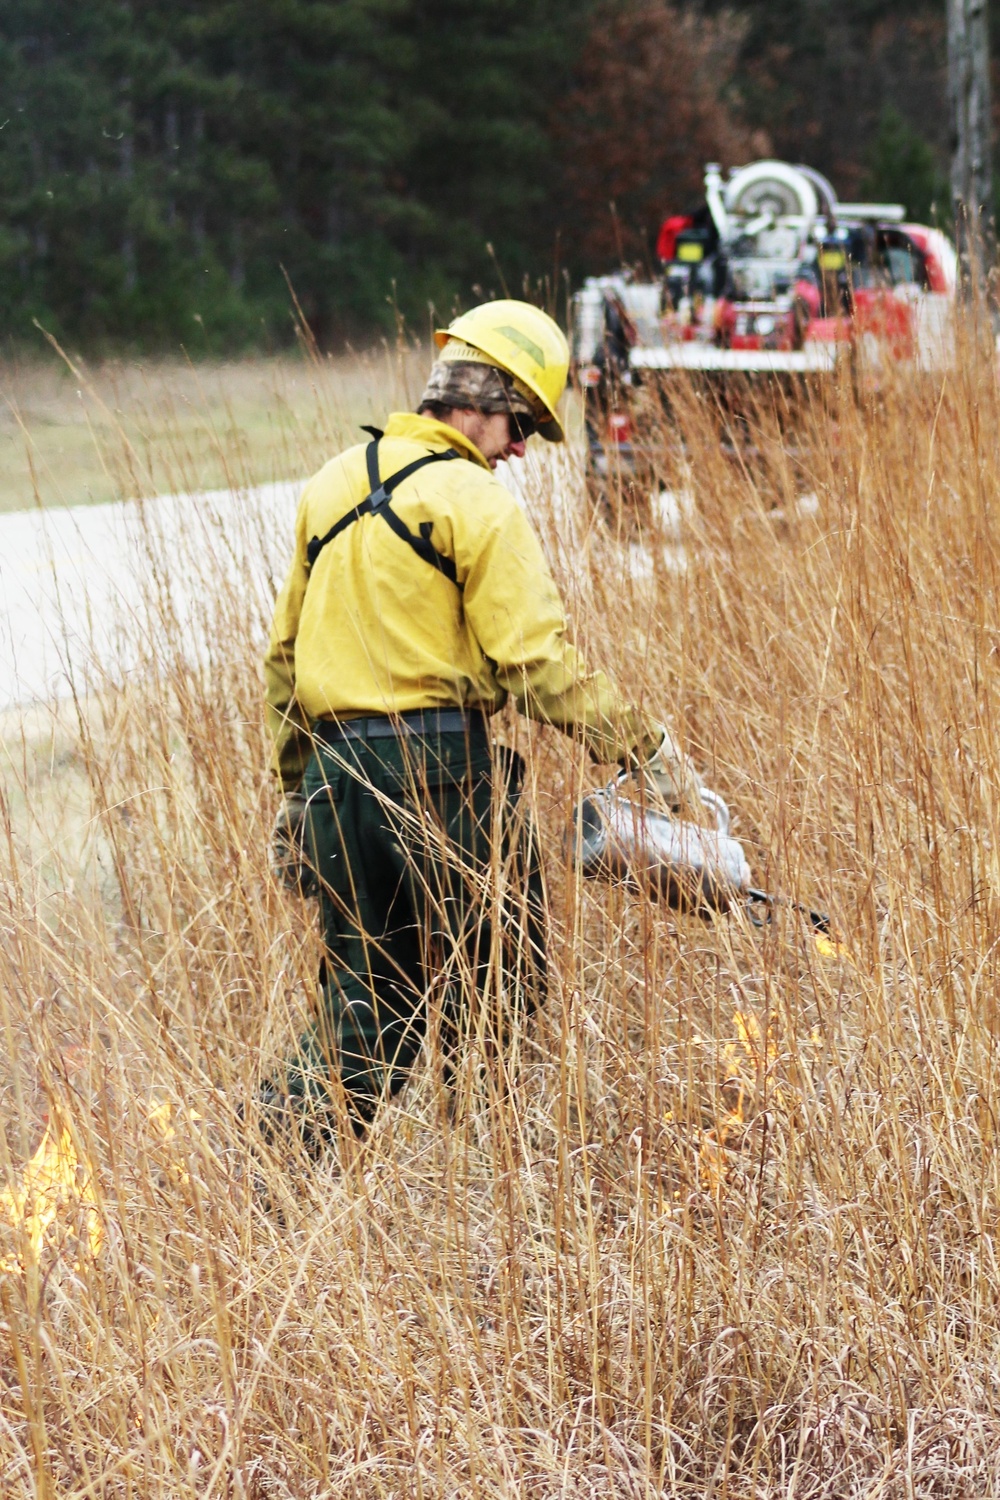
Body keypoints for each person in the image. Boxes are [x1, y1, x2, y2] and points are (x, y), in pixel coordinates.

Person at [261, 299, 704, 1150]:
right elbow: (533, 664)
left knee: (366, 1018)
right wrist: (643, 746)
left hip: (333, 784)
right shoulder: (475, 499)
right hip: (441, 779)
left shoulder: (330, 486)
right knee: (497, 989)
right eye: (523, 421)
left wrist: (294, 797)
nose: (523, 447)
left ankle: (260, 1174)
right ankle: (488, 1189)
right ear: (479, 397)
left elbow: (282, 664)